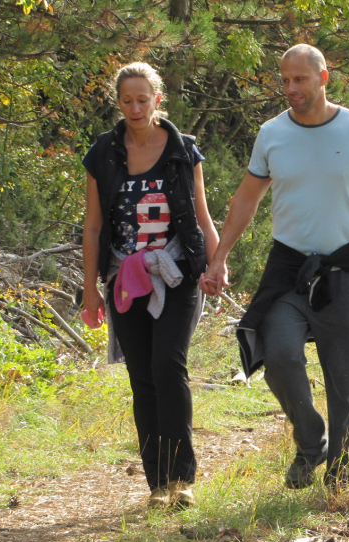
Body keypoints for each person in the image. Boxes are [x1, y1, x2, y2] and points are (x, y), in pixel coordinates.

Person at [201, 44, 349, 490]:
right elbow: (246, 199)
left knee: (345, 384)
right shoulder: (271, 133)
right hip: (288, 268)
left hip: (345, 266)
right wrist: (219, 255)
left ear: (324, 78)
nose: (290, 88)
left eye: (299, 79)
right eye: (284, 80)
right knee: (278, 353)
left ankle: (341, 480)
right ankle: (310, 441)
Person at [82, 62, 219, 510]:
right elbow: (93, 226)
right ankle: (158, 486)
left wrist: (216, 262)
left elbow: (201, 213)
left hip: (177, 272)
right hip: (124, 276)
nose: (136, 107)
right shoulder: (102, 153)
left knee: (168, 366)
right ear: (117, 103)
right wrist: (89, 287)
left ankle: (183, 480)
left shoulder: (183, 151)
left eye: (144, 99)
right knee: (141, 377)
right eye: (127, 100)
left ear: (158, 99)